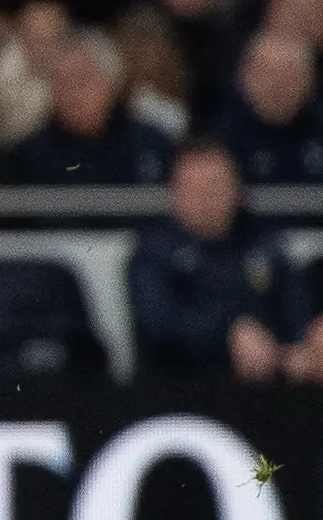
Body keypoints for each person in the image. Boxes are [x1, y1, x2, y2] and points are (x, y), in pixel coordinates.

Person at [127, 142, 323, 381]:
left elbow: (294, 308)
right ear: (175, 194)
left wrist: (298, 349)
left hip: (270, 387)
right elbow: (160, 326)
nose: (206, 200)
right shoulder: (152, 252)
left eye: (215, 187)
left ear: (238, 190)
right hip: (179, 390)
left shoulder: (265, 242)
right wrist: (227, 338)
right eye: (194, 189)